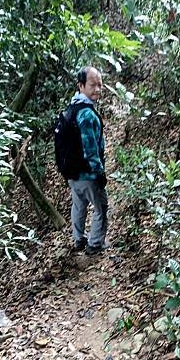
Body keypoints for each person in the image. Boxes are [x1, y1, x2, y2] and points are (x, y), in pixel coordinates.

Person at [68, 66, 108, 255]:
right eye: (92, 85)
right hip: (87, 173)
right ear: (81, 85)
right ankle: (94, 245)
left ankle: (78, 240)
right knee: (101, 206)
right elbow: (90, 148)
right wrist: (99, 173)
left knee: (79, 205)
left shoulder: (72, 108)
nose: (98, 89)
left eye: (100, 85)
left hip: (72, 172)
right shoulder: (86, 114)